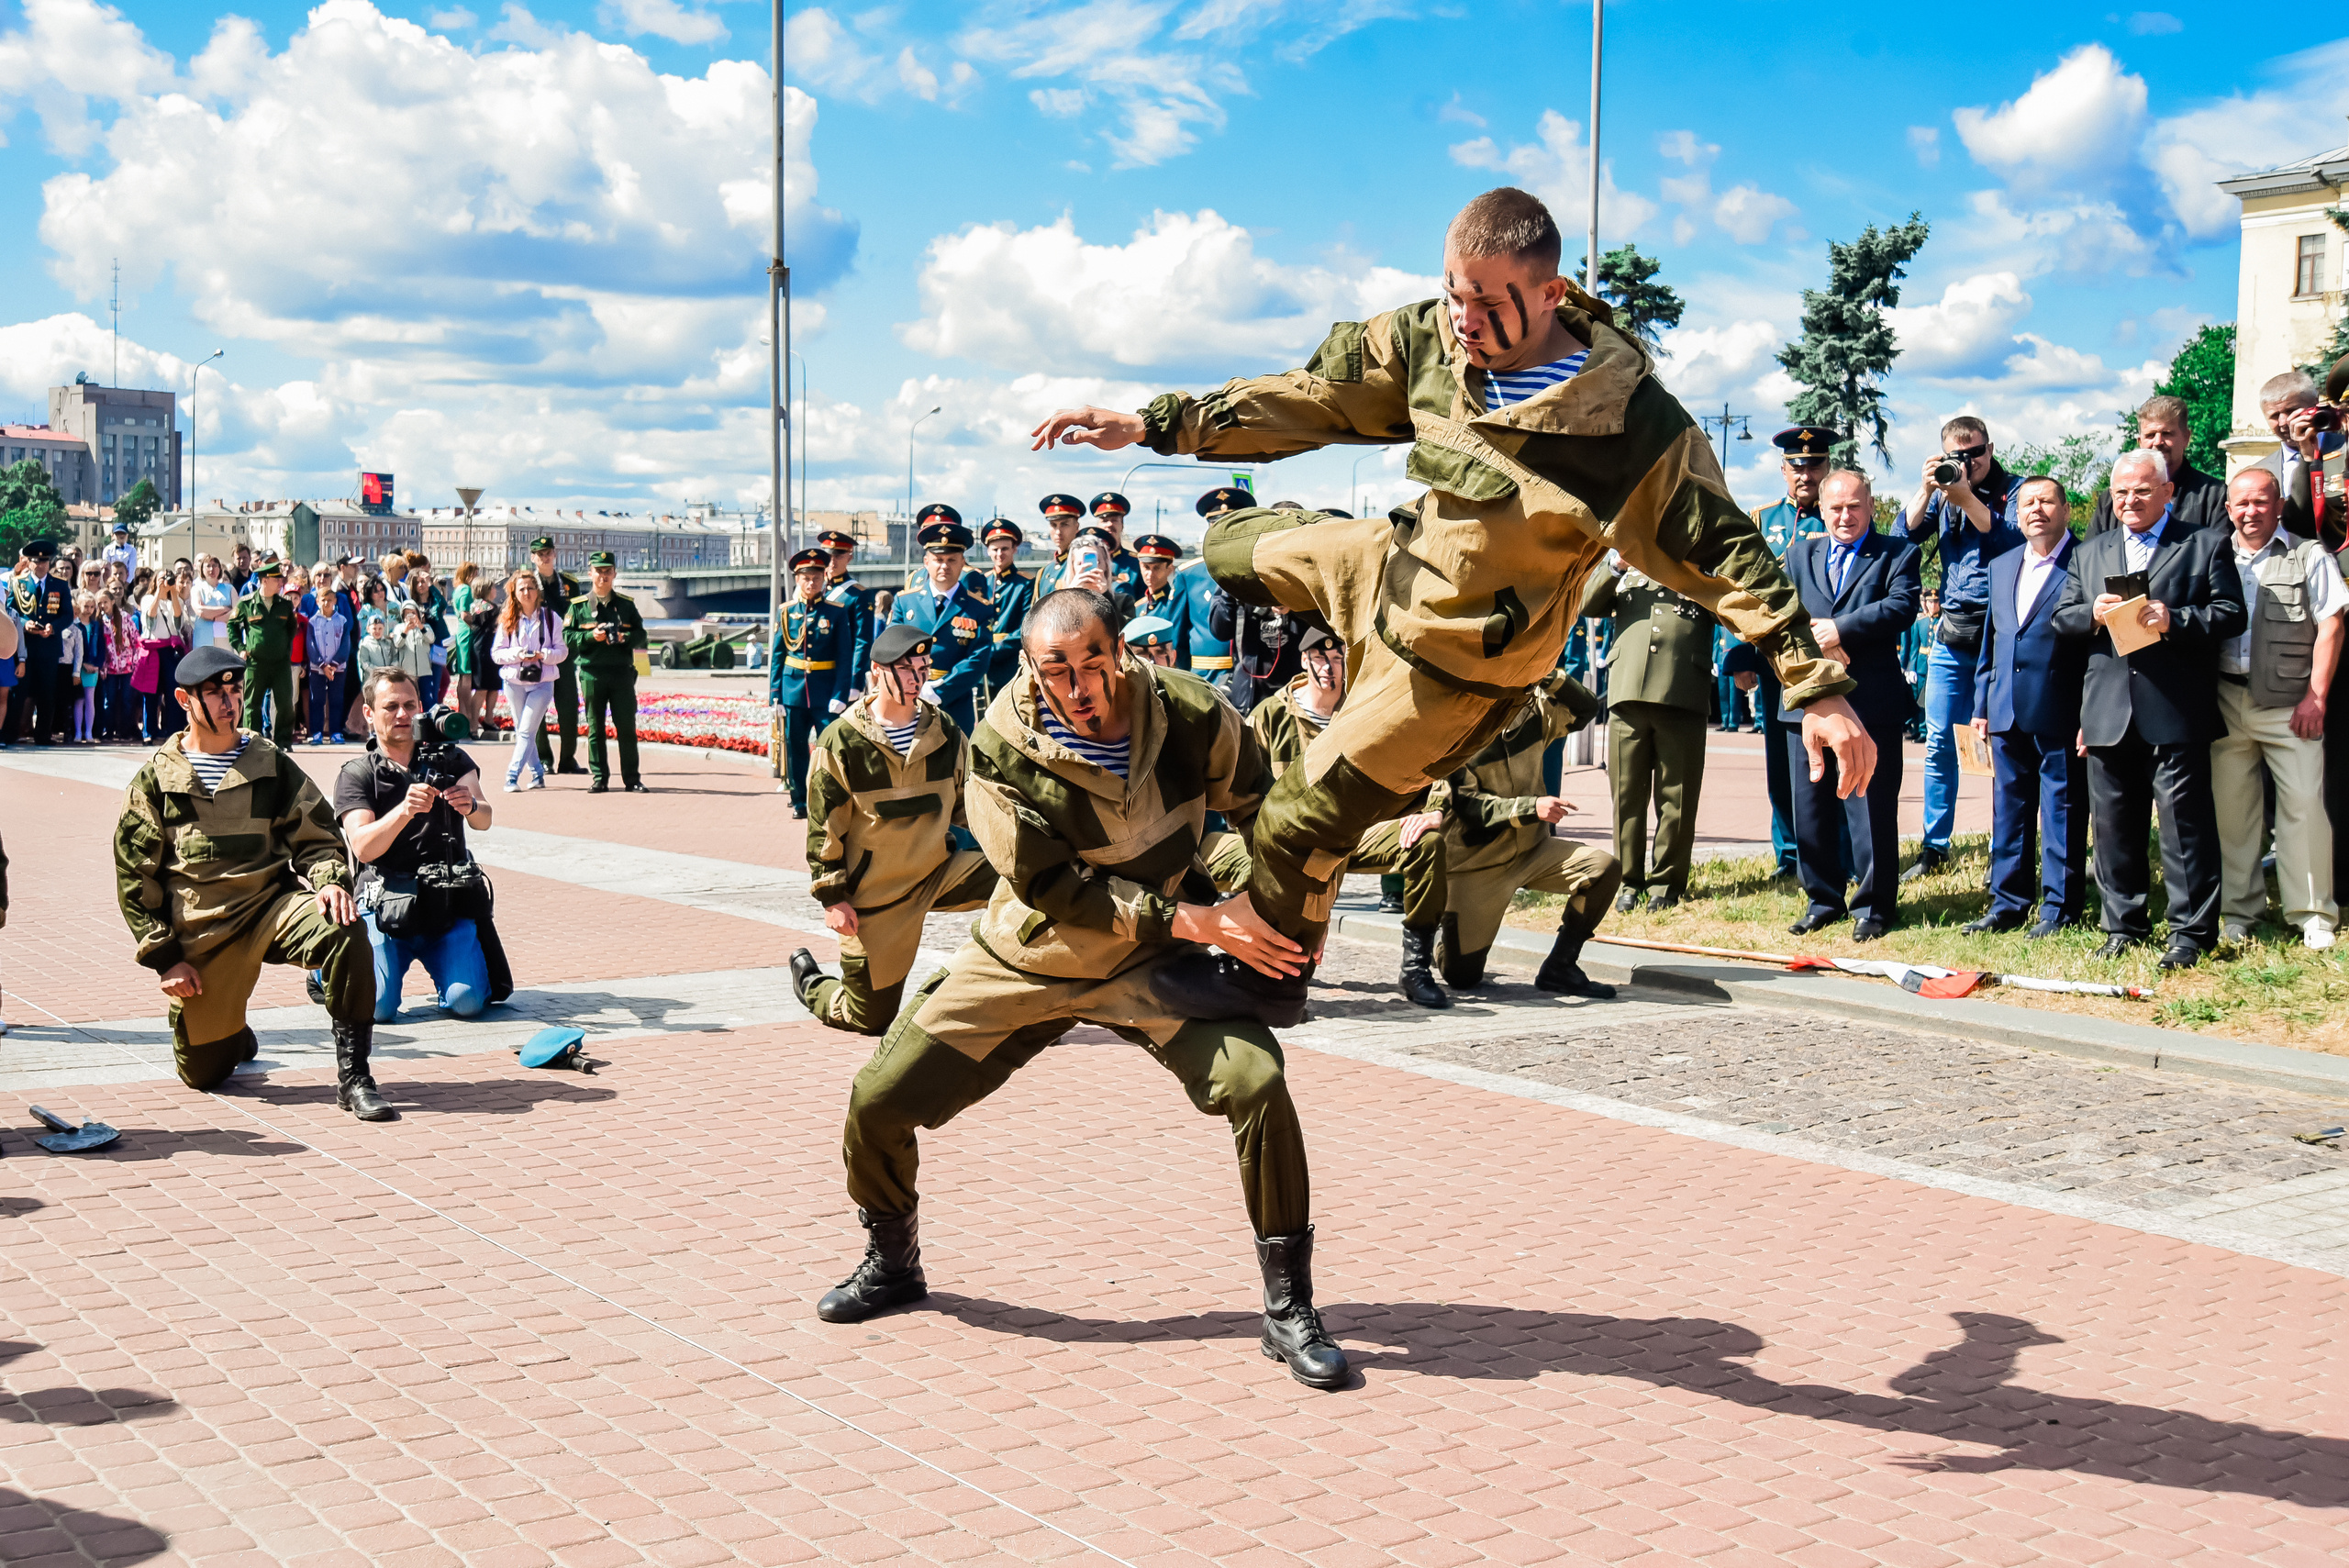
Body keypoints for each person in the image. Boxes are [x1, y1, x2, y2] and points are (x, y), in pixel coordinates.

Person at [1030, 185, 1872, 1025]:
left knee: (1295, 822)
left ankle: (1267, 980)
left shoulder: (1628, 428)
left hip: (1452, 670)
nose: (1464, 319)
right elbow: (1313, 395)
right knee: (1224, 548)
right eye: (1452, 292)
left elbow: (1724, 551)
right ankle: (1294, 555)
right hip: (1386, 565)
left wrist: (1817, 685)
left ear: (1551, 296)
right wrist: (1153, 423)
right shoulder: (1431, 341)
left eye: (1487, 302)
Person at [815, 587, 1348, 1392]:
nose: (1077, 687)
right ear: (1030, 665)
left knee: (1258, 1082)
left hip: (1146, 969)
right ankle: (893, 1261)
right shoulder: (997, 745)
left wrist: (1276, 915)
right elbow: (1052, 888)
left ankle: (1289, 1306)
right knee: (877, 1100)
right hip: (1032, 955)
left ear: (1122, 652)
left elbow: (1264, 811)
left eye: (1092, 663)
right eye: (1054, 669)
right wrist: (1202, 922)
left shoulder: (1192, 712)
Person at [111, 644, 377, 1105]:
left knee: (344, 929)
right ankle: (232, 1032)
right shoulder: (156, 782)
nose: (228, 702)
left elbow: (318, 834)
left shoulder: (269, 763)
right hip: (204, 934)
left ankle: (355, 1077)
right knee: (204, 1075)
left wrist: (331, 879)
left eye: (233, 690)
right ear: (183, 701)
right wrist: (166, 959)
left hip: (272, 907)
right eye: (213, 693)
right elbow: (136, 879)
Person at [2051, 450, 2247, 967]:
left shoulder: (2203, 544)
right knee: (2114, 826)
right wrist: (2089, 614)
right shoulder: (2089, 553)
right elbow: (2061, 620)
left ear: (2166, 493)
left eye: (2141, 491)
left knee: (2184, 826)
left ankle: (2191, 932)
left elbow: (2230, 614)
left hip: (2174, 705)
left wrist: (2174, 618)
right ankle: (2124, 926)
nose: (2129, 501)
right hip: (2109, 707)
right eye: (2120, 493)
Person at [1208, 623, 1454, 1008]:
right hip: (1294, 841)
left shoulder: (1363, 713)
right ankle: (1279, 974)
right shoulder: (1271, 716)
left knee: (1427, 843)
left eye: (1338, 658)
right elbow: (1239, 785)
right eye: (1320, 657)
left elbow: (1420, 757)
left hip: (1357, 833)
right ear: (1304, 660)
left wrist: (1434, 808)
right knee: (1275, 873)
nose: (1330, 667)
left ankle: (1417, 966)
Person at [789, 623, 998, 1033]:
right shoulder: (843, 741)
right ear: (876, 673)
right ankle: (813, 984)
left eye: (922, 668)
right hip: (878, 897)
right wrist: (832, 898)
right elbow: (823, 827)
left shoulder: (945, 731)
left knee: (1028, 879)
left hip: (938, 872)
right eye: (906, 669)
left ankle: (1015, 995)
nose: (917, 678)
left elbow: (968, 805)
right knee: (869, 1019)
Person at [2209, 467, 2343, 949]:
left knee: (2304, 808)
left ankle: (2313, 915)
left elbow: (2331, 626)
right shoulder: (2213, 553)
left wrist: (2316, 697)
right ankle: (2239, 912)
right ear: (2228, 509)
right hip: (2225, 699)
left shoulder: (2308, 555)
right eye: (2241, 504)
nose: (2251, 512)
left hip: (2290, 705)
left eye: (2261, 502)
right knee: (2233, 814)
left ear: (2279, 504)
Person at [1785, 472, 1921, 940]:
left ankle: (1874, 906)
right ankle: (1822, 898)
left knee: (1871, 806)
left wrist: (1839, 629)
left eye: (1855, 507)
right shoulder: (1798, 555)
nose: (1845, 516)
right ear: (1822, 509)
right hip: (1807, 702)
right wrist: (1818, 643)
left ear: (1871, 507)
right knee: (1812, 805)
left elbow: (1902, 606)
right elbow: (1780, 614)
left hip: (1870, 702)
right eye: (1836, 508)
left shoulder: (1898, 553)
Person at [1431, 668, 1621, 996]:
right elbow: (1469, 807)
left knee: (1603, 868)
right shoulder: (1456, 725)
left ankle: (1560, 966)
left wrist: (1547, 672)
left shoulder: (1532, 710)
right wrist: (1531, 808)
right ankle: (1444, 932)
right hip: (1478, 864)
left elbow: (1587, 708)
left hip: (1532, 851)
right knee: (1462, 977)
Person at [336, 666, 502, 1038]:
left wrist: (471, 806)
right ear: (369, 713)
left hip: (446, 902)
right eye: (390, 706)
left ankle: (453, 971)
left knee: (469, 1003)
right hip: (386, 903)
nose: (402, 715)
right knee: (377, 1008)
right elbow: (362, 844)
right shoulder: (358, 773)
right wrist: (403, 811)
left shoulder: (450, 758)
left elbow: (485, 819)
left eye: (410, 705)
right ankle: (330, 964)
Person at [1898, 416, 2023, 883]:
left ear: (1990, 448)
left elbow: (2009, 540)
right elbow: (1905, 534)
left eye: (1975, 453)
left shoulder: (2014, 489)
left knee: (2003, 744)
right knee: (1938, 744)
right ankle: (1935, 846)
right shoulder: (1945, 490)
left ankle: (2004, 844)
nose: (1967, 463)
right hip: (1953, 634)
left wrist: (1966, 497)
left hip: (2002, 630)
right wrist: (1929, 488)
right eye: (1957, 455)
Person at [1966, 477, 2089, 937]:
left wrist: (2091, 713)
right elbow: (1993, 641)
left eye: (2046, 501)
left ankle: (2059, 908)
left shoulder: (2086, 561)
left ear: (2065, 509)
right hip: (2003, 709)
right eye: (2027, 503)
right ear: (2016, 514)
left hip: (2061, 707)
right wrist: (1981, 703)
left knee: (2062, 810)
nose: (2036, 510)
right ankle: (2008, 903)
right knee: (2008, 808)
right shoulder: (2001, 565)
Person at [1579, 553, 1713, 912]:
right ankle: (1628, 880)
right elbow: (1589, 603)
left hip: (1682, 690)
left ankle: (1665, 884)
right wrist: (1617, 565)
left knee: (1677, 798)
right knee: (1626, 796)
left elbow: (1731, 607)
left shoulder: (1704, 563)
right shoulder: (1629, 564)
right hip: (1627, 694)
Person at [887, 519, 995, 736]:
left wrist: (940, 689)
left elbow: (978, 659)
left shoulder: (978, 608)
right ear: (926, 562)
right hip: (910, 699)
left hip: (955, 702)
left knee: (955, 764)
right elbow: (892, 648)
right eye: (938, 559)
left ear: (962, 562)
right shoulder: (905, 602)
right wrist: (914, 684)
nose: (944, 566)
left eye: (951, 560)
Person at [771, 548, 854, 818]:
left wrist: (841, 692)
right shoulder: (786, 613)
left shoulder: (837, 613)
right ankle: (800, 802)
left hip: (825, 691)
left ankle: (830, 798)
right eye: (806, 578)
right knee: (795, 749)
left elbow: (845, 656)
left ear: (824, 580)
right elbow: (777, 656)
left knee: (830, 749)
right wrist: (775, 695)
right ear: (797, 580)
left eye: (816, 578)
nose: (811, 583)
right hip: (793, 691)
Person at [564, 550, 649, 793]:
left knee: (626, 728)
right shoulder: (578, 607)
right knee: (595, 728)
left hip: (621, 673)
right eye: (598, 571)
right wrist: (592, 636)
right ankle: (600, 778)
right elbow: (567, 636)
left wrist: (625, 637)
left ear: (614, 573)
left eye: (607, 571)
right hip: (592, 673)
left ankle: (632, 779)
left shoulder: (626, 605)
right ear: (590, 573)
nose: (603, 576)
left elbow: (642, 635)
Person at [2088, 395, 2228, 536]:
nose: (2158, 442)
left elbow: (2218, 551)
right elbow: (2092, 552)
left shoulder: (2214, 495)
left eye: (2167, 434)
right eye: (2150, 435)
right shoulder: (2111, 500)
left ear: (2186, 438)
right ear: (2139, 441)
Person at [493, 570, 567, 792]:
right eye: (522, 588)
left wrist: (543, 654)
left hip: (543, 682)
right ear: (514, 593)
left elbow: (562, 652)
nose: (527, 592)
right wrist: (518, 654)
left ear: (537, 592)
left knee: (525, 730)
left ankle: (511, 776)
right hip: (515, 682)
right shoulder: (507, 619)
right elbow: (497, 654)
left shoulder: (551, 618)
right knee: (526, 730)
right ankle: (537, 774)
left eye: (531, 588)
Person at [524, 537, 584, 775]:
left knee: (569, 708)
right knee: (537, 708)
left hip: (563, 654)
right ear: (532, 557)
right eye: (539, 554)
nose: (544, 557)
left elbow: (579, 616)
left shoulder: (569, 584)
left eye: (548, 553)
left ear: (554, 554)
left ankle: (568, 759)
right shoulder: (526, 583)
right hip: (537, 654)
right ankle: (545, 760)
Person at [228, 561, 300, 746]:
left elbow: (292, 629)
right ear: (265, 580)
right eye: (277, 580)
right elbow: (232, 626)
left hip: (280, 663)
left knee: (285, 704)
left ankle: (283, 742)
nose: (280, 583)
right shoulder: (246, 603)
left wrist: (284, 649)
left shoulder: (284, 605)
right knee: (252, 704)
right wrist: (241, 648)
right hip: (255, 662)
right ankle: (254, 742)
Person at [1180, 488, 1249, 679]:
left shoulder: (1258, 570)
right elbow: (1178, 639)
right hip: (1206, 675)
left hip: (1252, 673)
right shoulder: (1189, 575)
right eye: (1217, 526)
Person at [12, 539, 70, 745]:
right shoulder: (19, 584)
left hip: (48, 647)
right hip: (25, 648)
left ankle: (43, 735)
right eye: (37, 561)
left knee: (47, 694)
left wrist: (53, 627)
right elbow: (12, 611)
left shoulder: (60, 585)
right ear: (30, 562)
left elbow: (68, 615)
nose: (41, 565)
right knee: (20, 692)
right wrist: (25, 623)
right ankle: (11, 733)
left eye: (45, 561)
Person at [818, 528, 875, 697]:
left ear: (849, 557)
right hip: (816, 675)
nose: (832, 562)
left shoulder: (858, 595)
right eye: (828, 556)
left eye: (838, 556)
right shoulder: (815, 589)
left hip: (841, 676)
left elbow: (862, 641)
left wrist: (855, 681)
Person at [136, 565, 190, 741]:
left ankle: (174, 729)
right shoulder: (147, 599)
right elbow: (149, 620)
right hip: (153, 649)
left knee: (173, 691)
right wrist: (159, 593)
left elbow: (177, 620)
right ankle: (149, 731)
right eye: (162, 578)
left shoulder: (177, 600)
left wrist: (173, 592)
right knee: (150, 693)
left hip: (170, 650)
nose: (165, 582)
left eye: (168, 578)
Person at [979, 518, 1033, 696]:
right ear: (988, 551)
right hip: (984, 666)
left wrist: (994, 649)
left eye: (1005, 549)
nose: (999, 554)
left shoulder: (1025, 583)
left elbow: (1026, 626)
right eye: (995, 549)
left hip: (1011, 663)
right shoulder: (982, 583)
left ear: (1014, 549)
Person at [300, 566, 351, 746]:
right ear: (317, 601)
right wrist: (322, 664)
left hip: (338, 669)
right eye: (323, 600)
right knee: (317, 700)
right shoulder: (313, 622)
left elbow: (345, 644)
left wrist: (335, 664)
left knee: (336, 699)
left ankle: (336, 731)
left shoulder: (342, 621)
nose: (327, 603)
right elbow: (311, 645)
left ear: (335, 600)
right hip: (318, 668)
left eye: (330, 600)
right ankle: (317, 733)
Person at [1028, 493, 1088, 598]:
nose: (1058, 532)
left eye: (1064, 525)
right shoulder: (1044, 572)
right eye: (1053, 525)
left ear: (1076, 526)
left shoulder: (1084, 565)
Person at [189, 553, 234, 650]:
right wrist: (225, 609)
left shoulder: (229, 589)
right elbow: (201, 611)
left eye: (215, 565)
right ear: (202, 569)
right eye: (208, 566)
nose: (211, 569)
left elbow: (238, 610)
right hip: (204, 638)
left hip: (226, 637)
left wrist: (217, 617)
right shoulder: (196, 589)